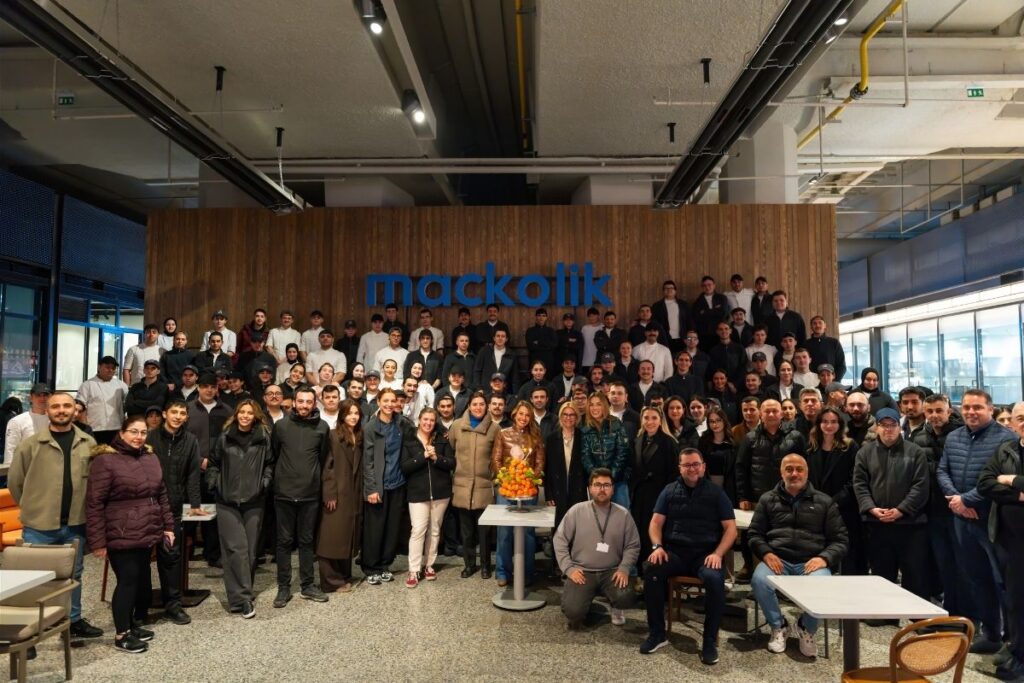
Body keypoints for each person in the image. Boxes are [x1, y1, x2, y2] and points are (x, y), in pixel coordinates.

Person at [8, 392, 104, 640]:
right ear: (47, 411)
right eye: (56, 406)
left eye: (66, 406)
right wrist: (34, 507)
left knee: (74, 575)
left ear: (75, 410)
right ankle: (27, 629)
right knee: (32, 578)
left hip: (75, 524)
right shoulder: (30, 445)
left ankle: (73, 621)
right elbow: (16, 483)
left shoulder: (88, 443)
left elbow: (94, 483)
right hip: (39, 526)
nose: (61, 410)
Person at [86, 415, 174, 654]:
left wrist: (168, 526)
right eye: (133, 431)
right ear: (122, 433)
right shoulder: (105, 460)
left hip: (148, 530)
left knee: (139, 582)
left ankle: (132, 624)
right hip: (121, 532)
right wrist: (98, 542)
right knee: (127, 582)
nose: (139, 437)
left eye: (143, 432)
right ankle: (121, 634)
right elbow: (94, 503)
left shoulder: (150, 457)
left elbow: (161, 494)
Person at [936, 388, 1016, 653]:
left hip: (992, 520)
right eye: (967, 407)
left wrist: (967, 500)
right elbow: (942, 470)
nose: (971, 412)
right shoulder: (954, 437)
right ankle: (991, 634)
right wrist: (957, 500)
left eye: (978, 407)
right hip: (961, 519)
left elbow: (998, 480)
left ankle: (1012, 640)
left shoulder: (1006, 439)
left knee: (1002, 581)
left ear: (990, 409)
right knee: (975, 577)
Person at [641, 448, 737, 665]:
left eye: (695, 464)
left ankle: (709, 641)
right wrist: (657, 547)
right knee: (651, 570)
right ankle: (657, 633)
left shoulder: (716, 493)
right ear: (680, 468)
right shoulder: (668, 491)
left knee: (714, 580)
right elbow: (655, 523)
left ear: (703, 467)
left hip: (706, 555)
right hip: (675, 553)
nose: (692, 469)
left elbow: (731, 529)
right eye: (687, 465)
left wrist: (718, 554)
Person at [749, 454, 848, 658]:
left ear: (807, 472)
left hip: (812, 561)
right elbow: (754, 534)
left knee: (824, 585)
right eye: (789, 469)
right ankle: (779, 625)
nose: (794, 474)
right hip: (778, 559)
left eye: (799, 469)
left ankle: (805, 627)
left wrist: (824, 558)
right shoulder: (767, 499)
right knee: (759, 580)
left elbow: (840, 540)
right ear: (781, 472)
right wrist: (766, 553)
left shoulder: (824, 501)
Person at [853, 407, 930, 601]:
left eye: (893, 425)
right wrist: (871, 508)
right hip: (877, 524)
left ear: (899, 427)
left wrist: (901, 510)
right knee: (882, 576)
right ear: (876, 428)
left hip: (910, 524)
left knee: (915, 576)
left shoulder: (915, 452)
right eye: (884, 425)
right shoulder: (864, 452)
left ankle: (916, 614)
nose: (888, 429)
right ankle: (885, 612)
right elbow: (860, 484)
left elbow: (920, 485)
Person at [207, 399, 272, 618]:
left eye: (249, 413)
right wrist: (215, 483)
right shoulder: (224, 437)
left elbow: (270, 464)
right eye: (242, 412)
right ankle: (243, 599)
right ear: (236, 414)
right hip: (227, 501)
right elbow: (213, 463)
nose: (245, 416)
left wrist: (264, 483)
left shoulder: (263, 437)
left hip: (254, 500)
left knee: (250, 552)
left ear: (255, 416)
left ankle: (241, 594)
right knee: (236, 549)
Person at [553, 468, 639, 629]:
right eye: (597, 485)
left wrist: (624, 568)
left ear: (613, 489)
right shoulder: (576, 511)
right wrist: (569, 569)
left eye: (606, 485)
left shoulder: (623, 514)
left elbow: (632, 545)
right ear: (590, 488)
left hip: (612, 571)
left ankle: (616, 607)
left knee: (626, 598)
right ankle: (584, 600)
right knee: (573, 613)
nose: (602, 489)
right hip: (582, 571)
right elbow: (559, 540)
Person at [269, 387, 330, 607]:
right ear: (294, 402)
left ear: (315, 404)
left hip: (310, 494)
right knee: (284, 542)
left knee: (306, 541)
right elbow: (274, 453)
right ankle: (283, 588)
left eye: (309, 402)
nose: (304, 405)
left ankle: (307, 585)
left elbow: (323, 458)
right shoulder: (281, 426)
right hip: (284, 493)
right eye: (301, 401)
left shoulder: (322, 427)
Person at [145, 400, 204, 625]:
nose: (178, 416)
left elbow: (193, 474)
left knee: (171, 557)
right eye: (174, 412)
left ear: (186, 417)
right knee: (141, 559)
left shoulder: (190, 440)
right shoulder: (149, 438)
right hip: (148, 507)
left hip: (174, 507)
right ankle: (140, 607)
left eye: (182, 413)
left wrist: (195, 503)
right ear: (164, 414)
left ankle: (173, 605)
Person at [977, 401, 1024, 681]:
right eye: (1020, 418)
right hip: (1010, 541)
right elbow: (985, 483)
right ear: (1014, 423)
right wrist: (1018, 494)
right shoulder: (1006, 449)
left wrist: (1012, 479)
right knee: (1016, 600)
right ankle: (1017, 652)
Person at [491, 400, 546, 587]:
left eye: (527, 415)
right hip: (506, 490)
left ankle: (527, 573)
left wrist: (528, 480)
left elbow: (539, 463)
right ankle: (502, 572)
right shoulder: (503, 433)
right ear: (514, 414)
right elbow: (496, 460)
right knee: (504, 532)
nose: (524, 417)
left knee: (528, 533)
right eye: (521, 414)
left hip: (528, 489)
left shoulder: (535, 436)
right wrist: (508, 480)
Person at [401, 408, 454, 588]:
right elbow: (405, 467)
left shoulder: (442, 439)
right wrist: (422, 456)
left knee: (435, 530)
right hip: (417, 493)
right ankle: (414, 570)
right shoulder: (409, 440)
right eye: (425, 419)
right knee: (418, 530)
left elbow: (451, 463)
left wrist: (436, 458)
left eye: (432, 420)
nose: (428, 423)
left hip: (441, 493)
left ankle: (429, 565)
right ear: (419, 420)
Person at [806, 407, 863, 576]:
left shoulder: (850, 446)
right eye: (825, 421)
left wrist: (834, 502)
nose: (829, 425)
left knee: (847, 551)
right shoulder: (811, 446)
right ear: (819, 424)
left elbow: (854, 479)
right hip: (817, 506)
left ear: (840, 424)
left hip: (844, 506)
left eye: (833, 422)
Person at [449, 391, 500, 578]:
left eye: (481, 404)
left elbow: (497, 456)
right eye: (475, 404)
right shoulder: (456, 426)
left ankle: (486, 566)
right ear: (469, 406)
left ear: (487, 407)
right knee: (466, 531)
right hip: (462, 485)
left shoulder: (494, 428)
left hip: (483, 486)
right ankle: (469, 565)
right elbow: (452, 448)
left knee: (484, 532)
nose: (478, 407)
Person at [316, 399, 364, 593]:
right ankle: (330, 581)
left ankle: (344, 575)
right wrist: (329, 493)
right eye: (349, 413)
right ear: (342, 415)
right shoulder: (333, 435)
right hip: (337, 493)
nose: (353, 417)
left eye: (356, 413)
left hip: (353, 494)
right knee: (330, 538)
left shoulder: (359, 435)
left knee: (346, 536)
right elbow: (327, 467)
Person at [362, 388, 407, 585]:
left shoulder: (401, 422)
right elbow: (368, 462)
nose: (389, 404)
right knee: (375, 529)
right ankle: (371, 567)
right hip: (378, 486)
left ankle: (384, 565)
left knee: (392, 529)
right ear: (378, 402)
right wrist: (371, 488)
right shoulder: (371, 427)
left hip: (397, 484)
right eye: (385, 401)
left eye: (392, 401)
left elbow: (424, 427)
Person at [736, 399, 807, 513]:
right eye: (767, 411)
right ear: (761, 414)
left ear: (781, 413)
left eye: (775, 411)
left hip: (789, 497)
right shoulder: (750, 438)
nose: (771, 414)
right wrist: (743, 497)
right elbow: (741, 468)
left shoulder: (796, 437)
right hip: (758, 499)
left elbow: (805, 468)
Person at [630, 407, 679, 563]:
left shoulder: (669, 442)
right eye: (646, 418)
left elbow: (674, 473)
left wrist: (668, 496)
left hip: (659, 493)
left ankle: (655, 566)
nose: (649, 422)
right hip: (640, 494)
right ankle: (640, 567)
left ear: (660, 421)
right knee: (639, 530)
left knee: (656, 530)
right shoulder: (638, 440)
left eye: (654, 418)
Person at [580, 392, 631, 508]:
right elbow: (585, 456)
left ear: (604, 405)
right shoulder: (585, 428)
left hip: (617, 480)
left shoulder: (615, 423)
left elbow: (622, 452)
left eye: (598, 404)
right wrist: (597, 478)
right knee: (599, 515)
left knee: (621, 514)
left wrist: (610, 476)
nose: (595, 408)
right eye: (591, 405)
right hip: (596, 482)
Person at [77, 355, 128, 444]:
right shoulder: (87, 385)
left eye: (113, 368)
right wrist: (84, 427)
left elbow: (126, 405)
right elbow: (81, 407)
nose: (110, 370)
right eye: (107, 367)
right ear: (99, 367)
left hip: (116, 427)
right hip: (94, 428)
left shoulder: (121, 385)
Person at [3, 383, 50, 464]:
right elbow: (10, 450)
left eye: (45, 395)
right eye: (38, 395)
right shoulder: (17, 421)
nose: (42, 398)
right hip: (25, 468)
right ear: (31, 398)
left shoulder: (55, 421)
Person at [652, 280, 691, 355]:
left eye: (671, 288)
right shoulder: (657, 306)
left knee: (682, 358)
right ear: (663, 291)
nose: (669, 290)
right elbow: (654, 322)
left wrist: (689, 339)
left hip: (682, 339)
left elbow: (689, 322)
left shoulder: (683, 305)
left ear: (675, 290)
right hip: (664, 339)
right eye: (666, 288)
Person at [692, 276, 729, 352]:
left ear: (714, 285)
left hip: (721, 334)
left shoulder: (722, 298)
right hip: (705, 336)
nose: (707, 287)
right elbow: (698, 319)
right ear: (702, 287)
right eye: (704, 285)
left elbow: (723, 313)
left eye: (709, 285)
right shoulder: (697, 302)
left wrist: (705, 312)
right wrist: (715, 311)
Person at [805, 316, 846, 381]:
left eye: (820, 323)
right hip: (811, 382)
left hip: (831, 382)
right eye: (814, 323)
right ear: (811, 327)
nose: (817, 325)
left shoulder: (834, 342)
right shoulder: (805, 344)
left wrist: (835, 382)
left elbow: (841, 365)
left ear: (825, 326)